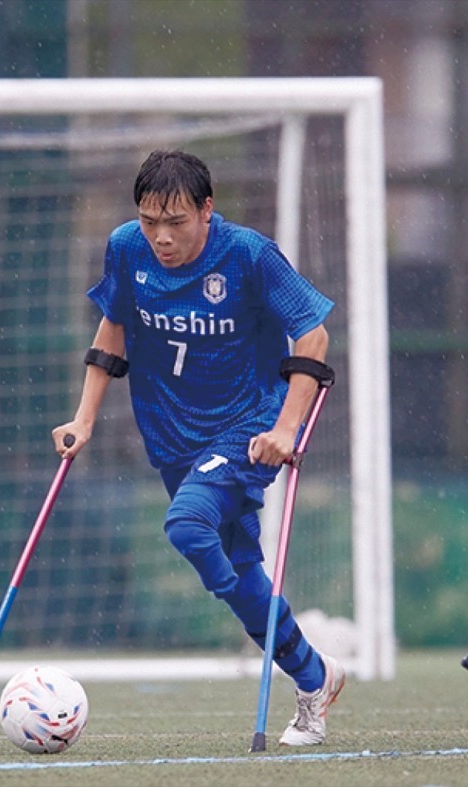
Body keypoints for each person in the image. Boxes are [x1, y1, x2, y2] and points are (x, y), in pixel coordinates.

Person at [52, 149, 345, 746]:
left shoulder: (248, 255)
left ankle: (284, 656)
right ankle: (316, 677)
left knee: (187, 527)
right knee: (242, 577)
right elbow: (113, 326)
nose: (161, 238)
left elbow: (313, 333)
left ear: (207, 210)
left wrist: (284, 429)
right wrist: (83, 419)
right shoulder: (125, 248)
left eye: (176, 222)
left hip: (247, 424)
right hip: (170, 435)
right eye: (149, 221)